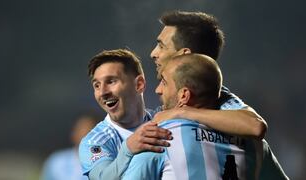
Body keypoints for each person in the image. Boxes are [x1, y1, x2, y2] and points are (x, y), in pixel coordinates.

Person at [79, 49, 265, 179]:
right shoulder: (95, 141)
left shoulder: (168, 128)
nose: (102, 92)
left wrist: (183, 111)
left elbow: (254, 124)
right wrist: (128, 148)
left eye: (111, 81)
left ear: (139, 84)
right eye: (96, 85)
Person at [122, 54, 288, 180]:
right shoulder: (256, 146)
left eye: (164, 82)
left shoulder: (161, 137)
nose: (158, 89)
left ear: (184, 96)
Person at [150, 10, 267, 139]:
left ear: (185, 55)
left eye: (161, 46)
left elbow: (255, 126)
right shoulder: (166, 96)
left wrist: (182, 112)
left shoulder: (220, 99)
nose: (153, 53)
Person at [41, 115, 99, 180]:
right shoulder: (56, 161)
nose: (84, 134)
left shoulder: (104, 164)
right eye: (81, 130)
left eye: (89, 130)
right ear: (73, 133)